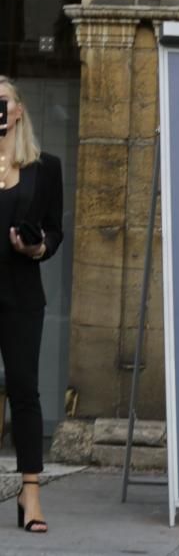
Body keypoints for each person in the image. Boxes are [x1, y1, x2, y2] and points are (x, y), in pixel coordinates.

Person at [0, 76, 63, 534]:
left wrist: (37, 249)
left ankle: (31, 493)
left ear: (17, 110)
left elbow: (54, 232)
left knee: (24, 390)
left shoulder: (45, 168)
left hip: (21, 295)